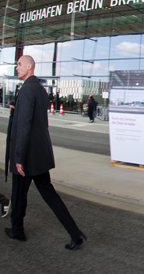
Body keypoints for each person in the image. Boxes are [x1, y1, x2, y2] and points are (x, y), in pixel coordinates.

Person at [5, 55, 87, 250]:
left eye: (19, 65)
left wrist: (18, 157)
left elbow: (25, 125)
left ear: (29, 67)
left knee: (18, 195)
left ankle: (17, 230)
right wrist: (18, 110)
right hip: (40, 155)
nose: (16, 68)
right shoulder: (40, 90)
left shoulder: (26, 90)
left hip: (26, 156)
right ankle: (76, 233)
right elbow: (36, 120)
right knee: (50, 195)